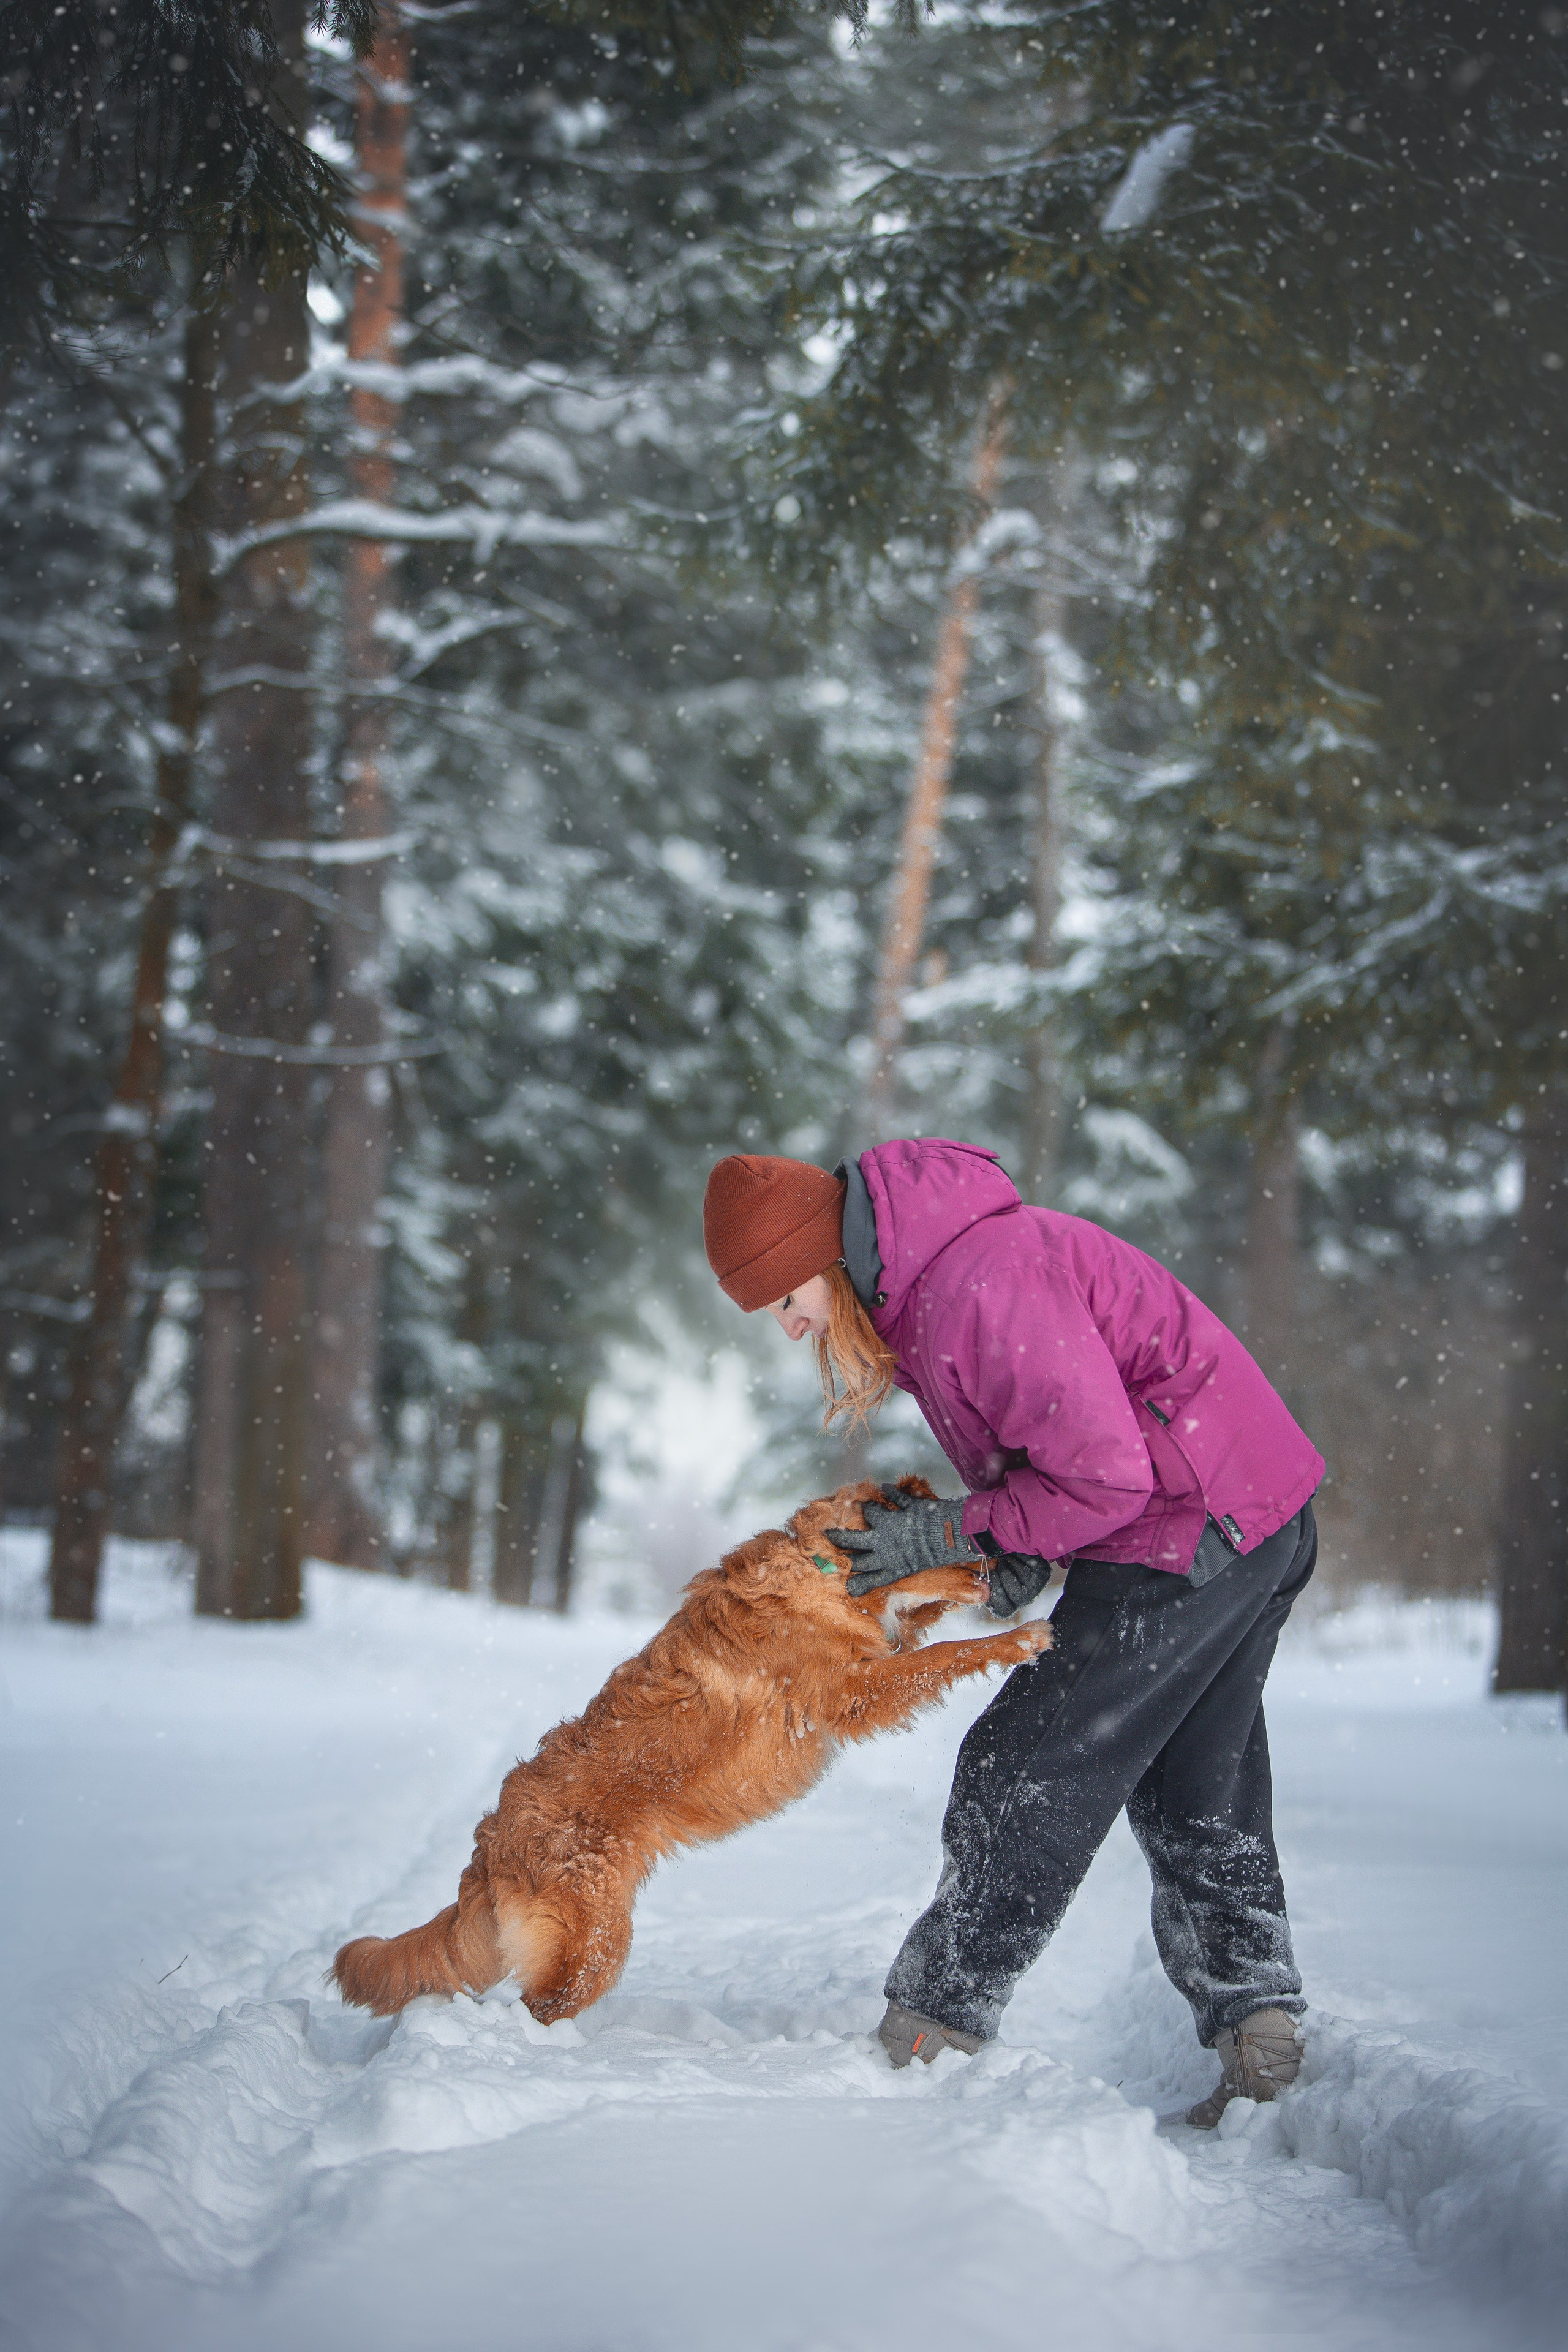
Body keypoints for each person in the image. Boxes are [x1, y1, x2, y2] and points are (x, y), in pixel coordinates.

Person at [702, 1136, 1324, 2126]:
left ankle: (928, 2032)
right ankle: (1264, 2045)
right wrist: (1016, 1536)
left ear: (825, 1259)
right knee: (1196, 1784)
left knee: (1026, 1765)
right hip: (1250, 1512)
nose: (788, 1329)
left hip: (1188, 1525)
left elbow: (1108, 1477)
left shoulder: (974, 1285)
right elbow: (1058, 1444)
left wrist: (958, 1527)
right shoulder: (935, 1279)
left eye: (786, 1300)